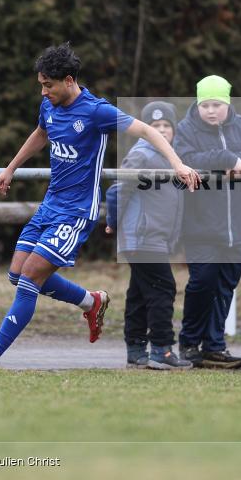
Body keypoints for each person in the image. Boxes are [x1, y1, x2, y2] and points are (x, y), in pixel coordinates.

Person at [0, 43, 199, 375]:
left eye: (49, 85)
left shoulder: (96, 111)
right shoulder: (49, 105)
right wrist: (11, 167)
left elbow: (146, 131)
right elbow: (40, 134)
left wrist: (178, 165)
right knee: (17, 274)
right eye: (41, 85)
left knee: (30, 278)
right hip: (49, 206)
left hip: (77, 212)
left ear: (69, 80)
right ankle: (91, 301)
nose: (44, 92)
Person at [173, 75, 241, 369]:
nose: (211, 110)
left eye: (217, 104)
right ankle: (190, 342)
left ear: (227, 103)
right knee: (202, 283)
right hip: (201, 227)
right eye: (205, 104)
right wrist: (227, 158)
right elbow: (186, 158)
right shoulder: (186, 129)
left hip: (237, 228)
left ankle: (214, 345)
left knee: (225, 286)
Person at [106, 101, 191, 370]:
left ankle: (135, 349)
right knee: (163, 288)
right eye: (155, 126)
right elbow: (118, 189)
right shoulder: (142, 154)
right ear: (145, 130)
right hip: (142, 236)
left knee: (140, 292)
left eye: (167, 125)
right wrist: (113, 222)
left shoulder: (170, 158)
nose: (162, 130)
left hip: (156, 237)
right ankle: (162, 350)